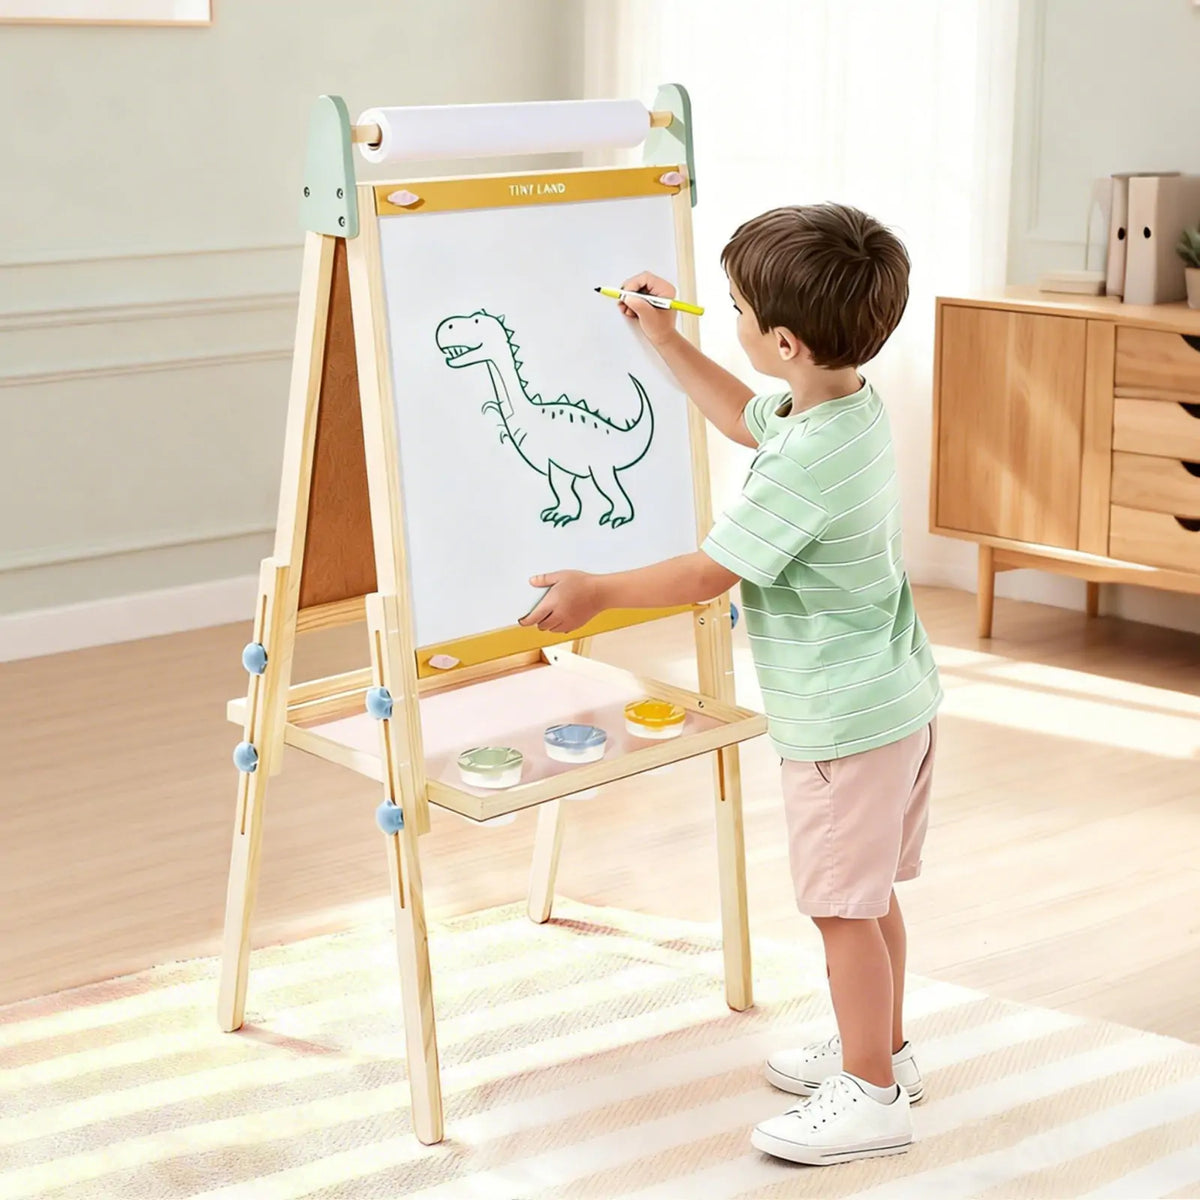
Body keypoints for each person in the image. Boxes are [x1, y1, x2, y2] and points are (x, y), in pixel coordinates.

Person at [519, 203, 941, 1166]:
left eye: (739, 310)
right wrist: (667, 341)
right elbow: (750, 417)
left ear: (782, 341)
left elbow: (712, 572)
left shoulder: (804, 466)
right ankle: (886, 1049)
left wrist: (599, 592)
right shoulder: (841, 408)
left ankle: (872, 1095)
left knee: (840, 907)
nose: (731, 318)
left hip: (840, 720)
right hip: (892, 700)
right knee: (867, 899)